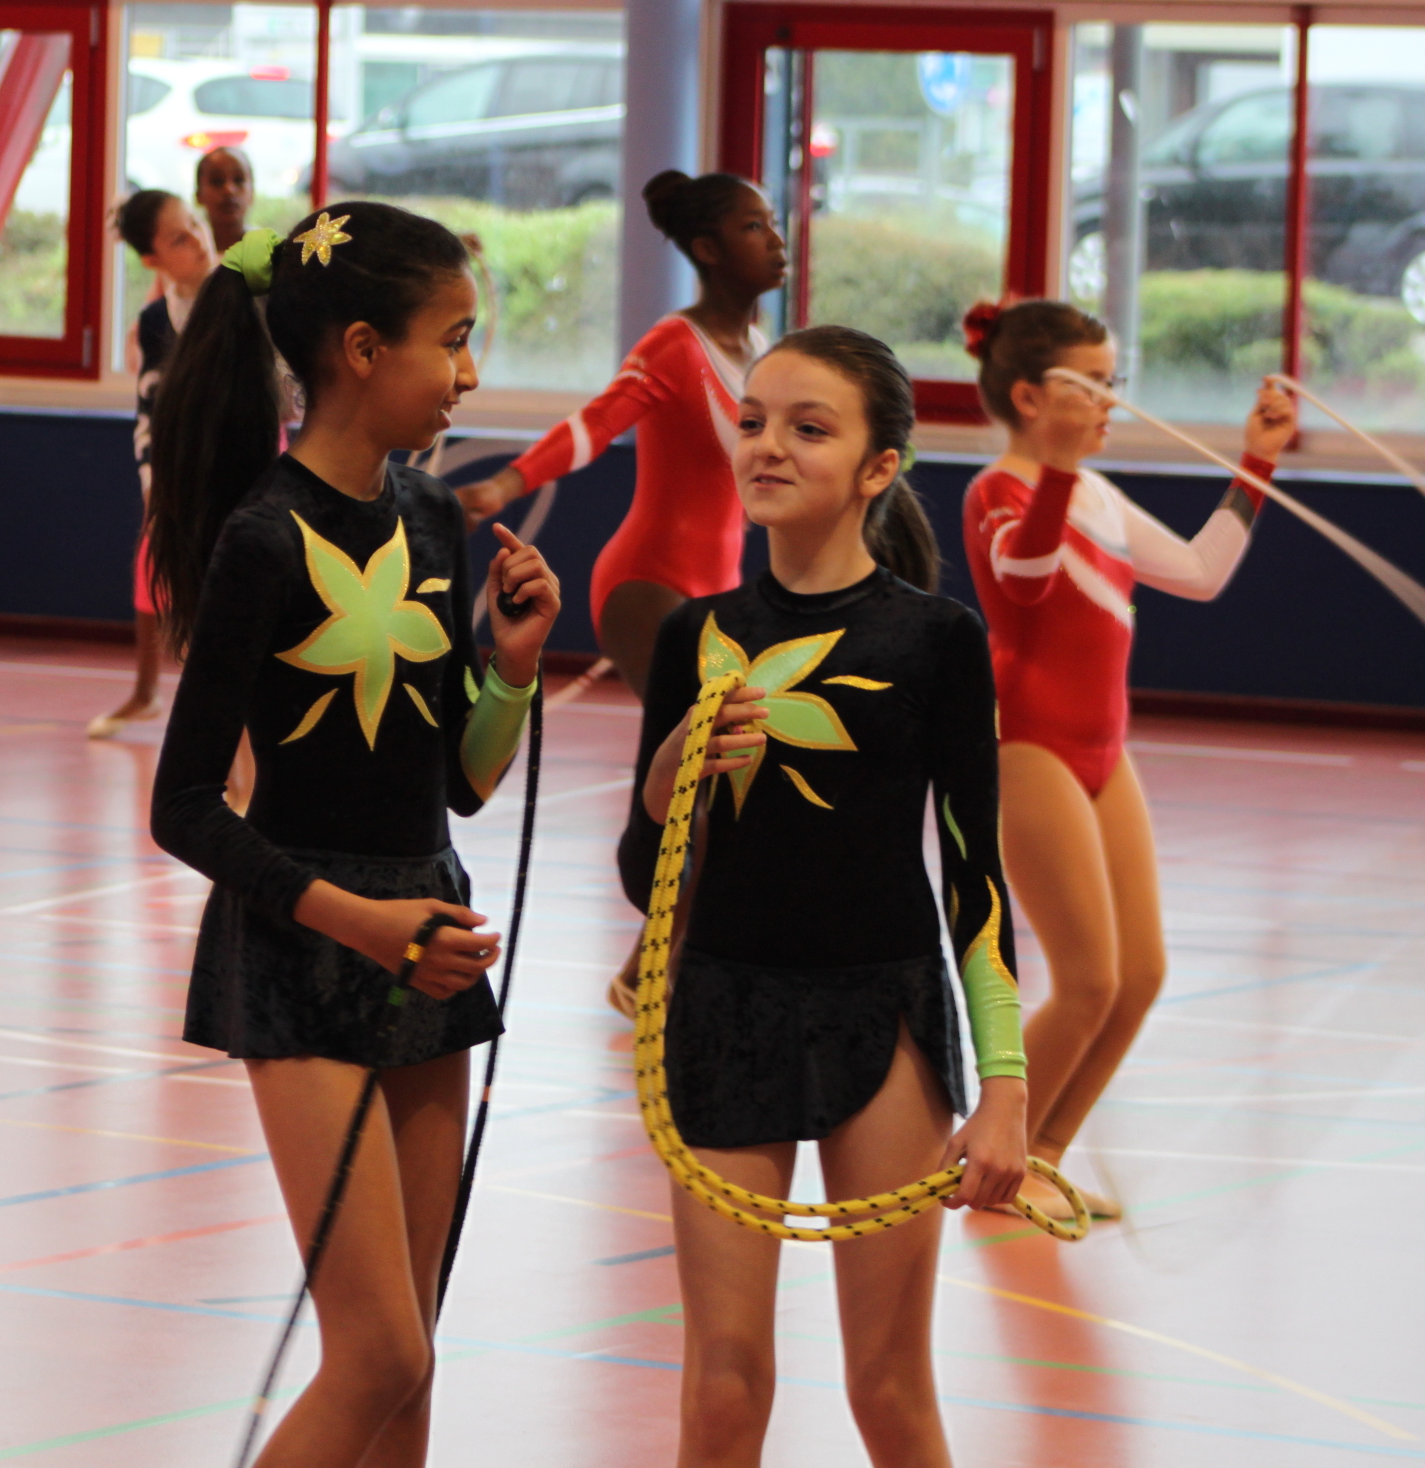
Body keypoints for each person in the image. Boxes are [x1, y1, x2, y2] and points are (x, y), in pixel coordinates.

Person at [146, 201, 558, 1468]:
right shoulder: (262, 540)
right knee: (376, 1351)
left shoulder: (432, 517)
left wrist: (513, 669)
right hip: (303, 950)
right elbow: (182, 805)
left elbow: (460, 786)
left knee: (410, 1365)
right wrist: (361, 925)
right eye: (455, 340)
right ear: (365, 351)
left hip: (425, 939)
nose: (470, 374)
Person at [619, 326, 1027, 1468]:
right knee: (722, 1386)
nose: (768, 446)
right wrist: (662, 785)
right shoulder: (696, 635)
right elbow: (646, 881)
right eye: (752, 421)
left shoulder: (937, 640)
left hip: (882, 1016)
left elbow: (976, 879)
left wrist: (1004, 1086)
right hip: (721, 1010)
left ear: (877, 466)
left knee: (889, 1386)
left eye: (809, 428)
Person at [960, 298, 1295, 1222]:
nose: (1112, 401)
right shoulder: (999, 492)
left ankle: (1043, 1158)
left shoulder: (1096, 495)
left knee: (1139, 977)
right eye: (1094, 385)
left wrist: (1256, 460)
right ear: (1031, 397)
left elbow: (1200, 572)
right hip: (1029, 748)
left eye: (1116, 383)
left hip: (1106, 752)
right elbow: (1025, 584)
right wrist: (1061, 468)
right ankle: (995, 1162)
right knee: (1089, 981)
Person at [455, 169, 785, 696]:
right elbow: (598, 423)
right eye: (754, 227)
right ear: (708, 249)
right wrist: (502, 487)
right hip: (649, 582)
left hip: (723, 582)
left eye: (773, 223)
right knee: (683, 737)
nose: (776, 240)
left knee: (714, 744)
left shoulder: (762, 351)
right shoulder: (676, 345)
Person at [89, 188, 216, 739]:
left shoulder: (242, 295)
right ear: (152, 260)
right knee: (154, 559)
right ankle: (147, 693)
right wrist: (154, 485)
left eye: (195, 224)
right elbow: (149, 417)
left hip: (249, 468)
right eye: (179, 239)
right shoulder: (155, 322)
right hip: (183, 475)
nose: (199, 239)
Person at [195, 143, 256, 257]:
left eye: (238, 180)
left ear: (252, 192)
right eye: (217, 181)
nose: (229, 190)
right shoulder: (184, 259)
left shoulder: (274, 256)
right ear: (198, 195)